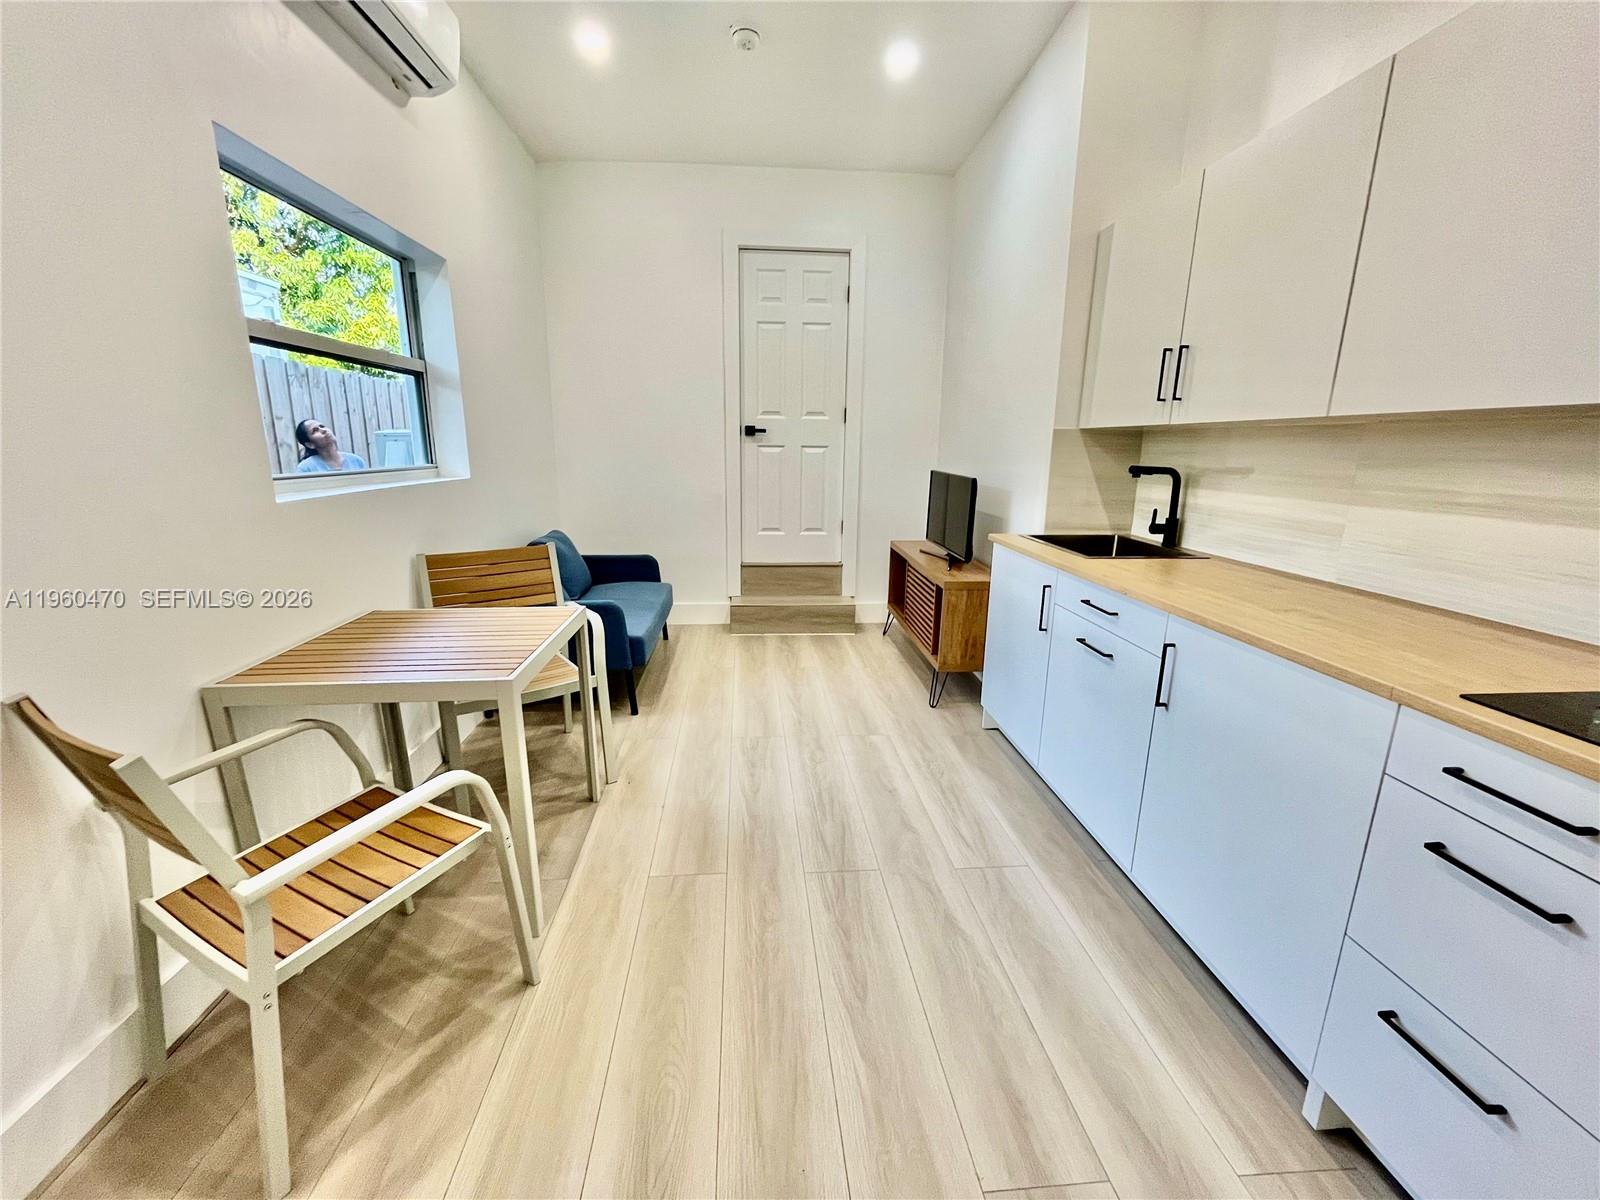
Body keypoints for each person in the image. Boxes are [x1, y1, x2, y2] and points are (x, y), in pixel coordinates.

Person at [294, 419, 368, 473]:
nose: (323, 430)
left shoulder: (356, 461)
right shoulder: (305, 469)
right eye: (315, 430)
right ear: (310, 444)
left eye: (322, 426)